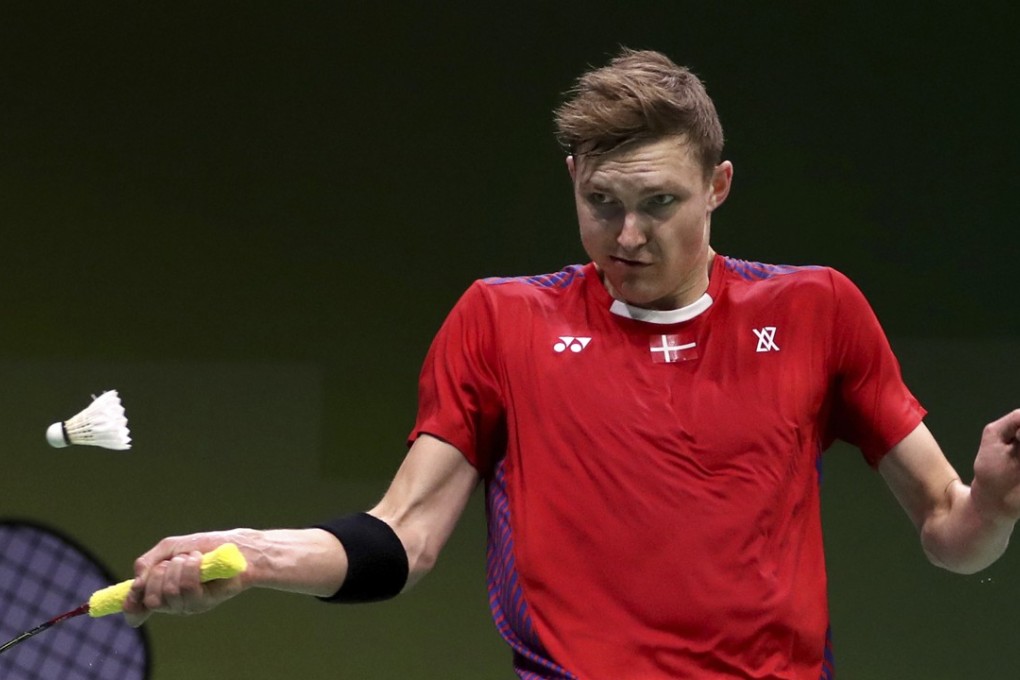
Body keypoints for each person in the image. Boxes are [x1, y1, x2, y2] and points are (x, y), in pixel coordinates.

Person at [122, 48, 1020, 679]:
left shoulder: (816, 309)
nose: (626, 236)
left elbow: (952, 535)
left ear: (719, 187)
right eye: (601, 202)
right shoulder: (501, 320)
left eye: (660, 203)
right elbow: (405, 535)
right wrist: (251, 555)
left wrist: (996, 500)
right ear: (572, 181)